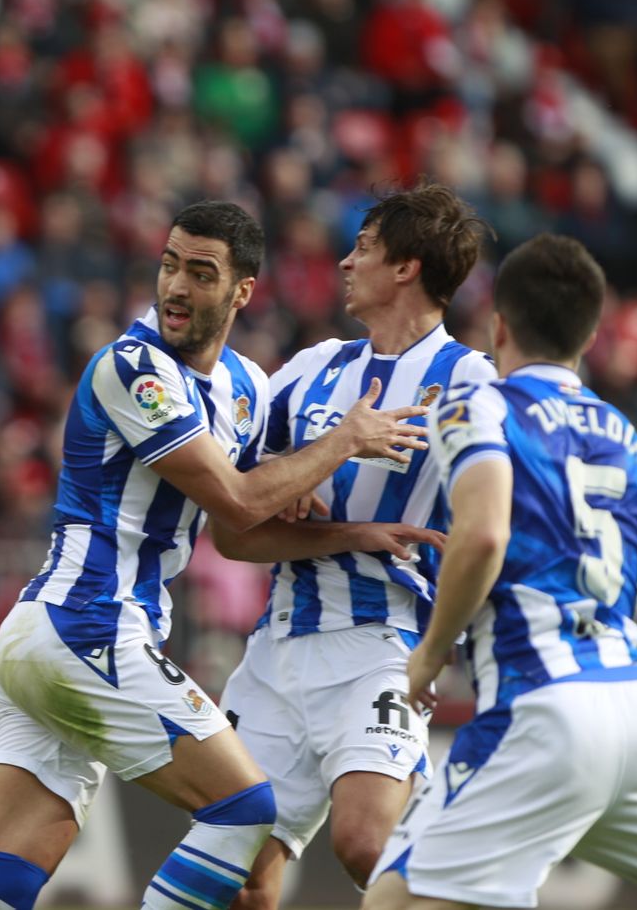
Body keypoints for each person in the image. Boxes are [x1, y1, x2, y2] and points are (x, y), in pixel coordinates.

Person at [0, 200, 439, 910]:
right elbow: (236, 499)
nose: (175, 286)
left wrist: (350, 533)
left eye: (201, 274)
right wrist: (343, 441)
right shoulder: (132, 368)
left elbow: (243, 532)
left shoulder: (248, 386)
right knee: (244, 808)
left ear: (242, 291)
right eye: (170, 265)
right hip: (88, 625)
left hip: (60, 641)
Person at [364, 234, 637, 910]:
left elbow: (484, 533)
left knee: (395, 901)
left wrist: (429, 655)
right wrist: (636, 685)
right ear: (590, 335)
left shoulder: (479, 407)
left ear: (498, 326)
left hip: (540, 703)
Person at [215, 183, 495, 907]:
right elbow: (232, 525)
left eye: (363, 248)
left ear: (406, 267)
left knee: (366, 844)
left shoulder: (469, 380)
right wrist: (291, 483)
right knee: (239, 877)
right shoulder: (313, 367)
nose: (344, 262)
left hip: (383, 644)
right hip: (276, 648)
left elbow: (503, 518)